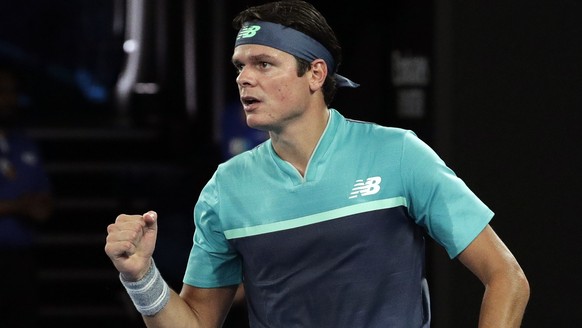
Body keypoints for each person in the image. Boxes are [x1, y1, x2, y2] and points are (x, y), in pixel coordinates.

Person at [104, 1, 530, 327]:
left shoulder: (399, 153)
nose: (244, 78)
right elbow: (197, 321)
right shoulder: (225, 188)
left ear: (315, 74)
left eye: (264, 64)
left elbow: (506, 277)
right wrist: (141, 277)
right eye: (240, 66)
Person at [0, 66, 54, 327]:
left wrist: (35, 206)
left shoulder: (24, 143)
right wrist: (17, 206)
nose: (9, 99)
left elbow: (44, 201)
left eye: (12, 92)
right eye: (2, 92)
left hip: (20, 259)